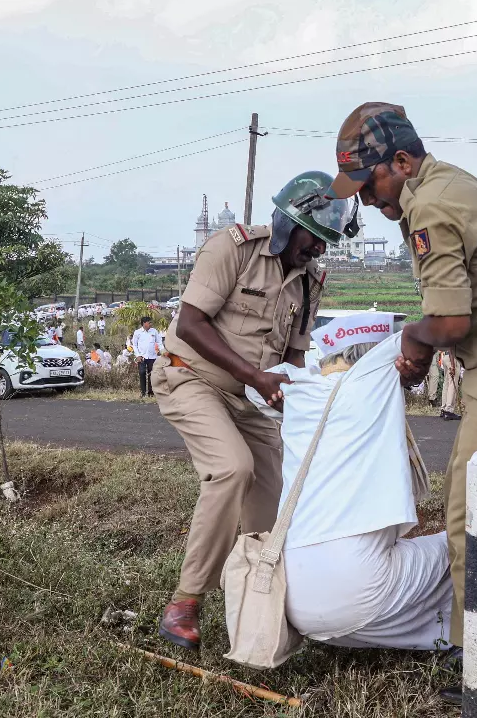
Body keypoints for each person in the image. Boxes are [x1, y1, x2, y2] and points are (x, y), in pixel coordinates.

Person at [328, 102, 477, 701]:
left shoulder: (429, 205)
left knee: (475, 518)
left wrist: (413, 340)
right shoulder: (447, 184)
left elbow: (450, 318)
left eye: (370, 183)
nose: (366, 201)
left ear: (403, 161)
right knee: (475, 511)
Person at [153, 170, 351, 651]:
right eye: (314, 238)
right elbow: (192, 323)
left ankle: (255, 603)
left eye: (327, 242)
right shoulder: (232, 249)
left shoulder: (309, 282)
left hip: (252, 399)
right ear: (288, 223)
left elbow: (296, 355)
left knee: (276, 497)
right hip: (190, 377)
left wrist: (305, 389)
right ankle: (185, 602)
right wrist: (256, 376)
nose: (319, 250)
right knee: (232, 470)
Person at [255, 320, 452, 651]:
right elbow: (421, 333)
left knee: (384, 567)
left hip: (293, 603)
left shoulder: (299, 389)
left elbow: (254, 389)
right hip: (361, 594)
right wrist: (408, 364)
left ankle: (430, 634)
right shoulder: (374, 377)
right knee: (469, 545)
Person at [131, 316, 163, 398]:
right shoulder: (137, 332)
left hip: (152, 357)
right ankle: (143, 392)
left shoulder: (154, 331)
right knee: (142, 373)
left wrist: (163, 352)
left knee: (151, 375)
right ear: (144, 323)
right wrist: (137, 355)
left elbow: (159, 343)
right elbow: (134, 345)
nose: (151, 324)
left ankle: (150, 393)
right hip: (141, 357)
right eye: (149, 323)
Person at [438, 349, 461, 421]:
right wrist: (453, 366)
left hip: (446, 357)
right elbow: (452, 347)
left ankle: (443, 409)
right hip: (452, 358)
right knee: (452, 384)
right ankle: (448, 410)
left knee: (447, 384)